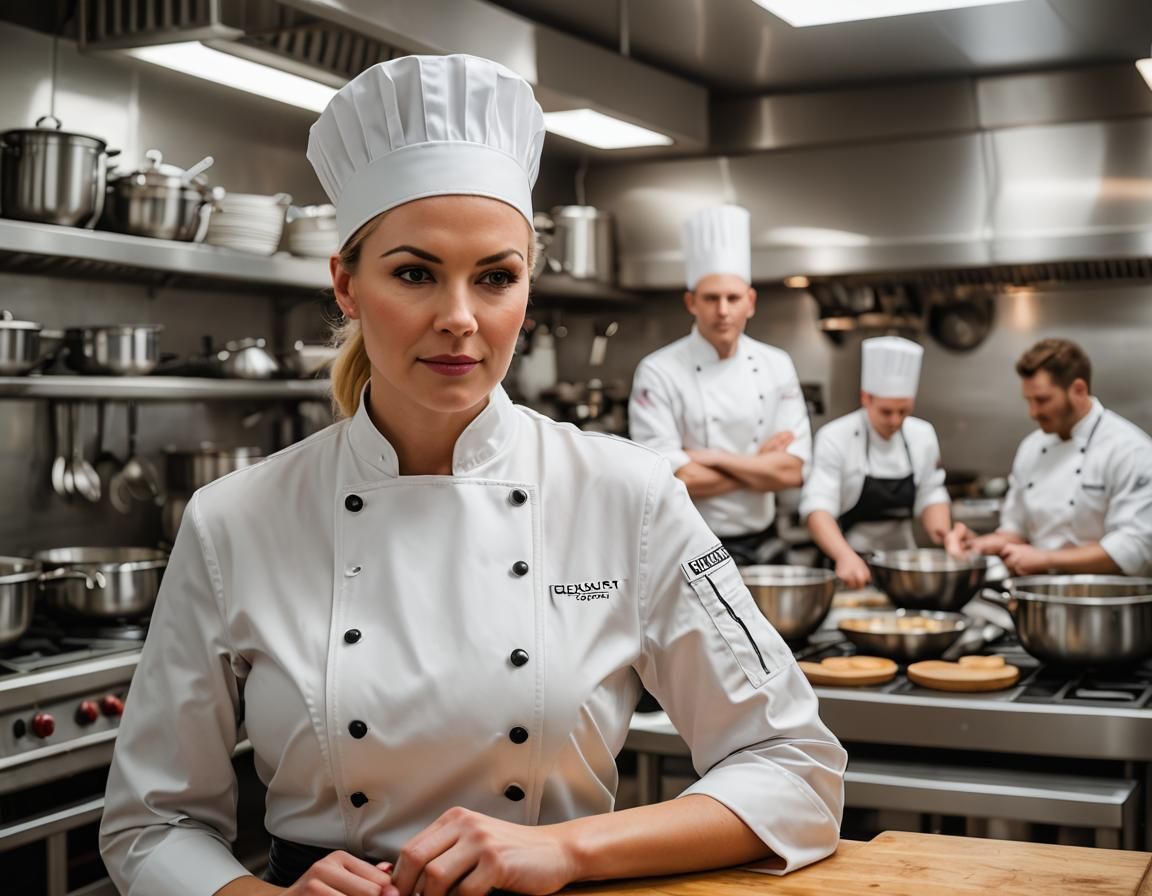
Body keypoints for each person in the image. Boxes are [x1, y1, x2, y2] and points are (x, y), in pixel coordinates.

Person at [99, 54, 845, 896]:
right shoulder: (235, 518)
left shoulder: (625, 496)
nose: (460, 320)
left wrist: (569, 850)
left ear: (528, 289)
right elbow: (150, 822)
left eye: (495, 277)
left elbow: (796, 768)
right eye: (415, 273)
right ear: (345, 283)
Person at [628, 205, 811, 566]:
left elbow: (793, 471)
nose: (723, 311)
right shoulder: (658, 371)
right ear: (691, 302)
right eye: (711, 298)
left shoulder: (776, 365)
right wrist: (760, 466)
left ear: (751, 302)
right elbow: (671, 479)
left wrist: (713, 459)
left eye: (733, 298)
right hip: (687, 545)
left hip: (765, 544)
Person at [947, 338, 1152, 576]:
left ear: (1078, 390)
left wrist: (1045, 559)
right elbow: (1015, 530)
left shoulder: (1129, 450)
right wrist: (979, 545)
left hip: (1105, 604)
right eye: (1029, 400)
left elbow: (1134, 549)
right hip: (1036, 596)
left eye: (1042, 400)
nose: (1033, 412)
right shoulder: (1031, 448)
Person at [800, 336, 954, 589]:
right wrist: (844, 555)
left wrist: (944, 534)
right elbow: (817, 507)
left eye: (904, 411)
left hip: (903, 566)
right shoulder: (836, 436)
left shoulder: (922, 435)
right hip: (851, 563)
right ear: (866, 398)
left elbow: (931, 492)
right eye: (886, 411)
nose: (895, 420)